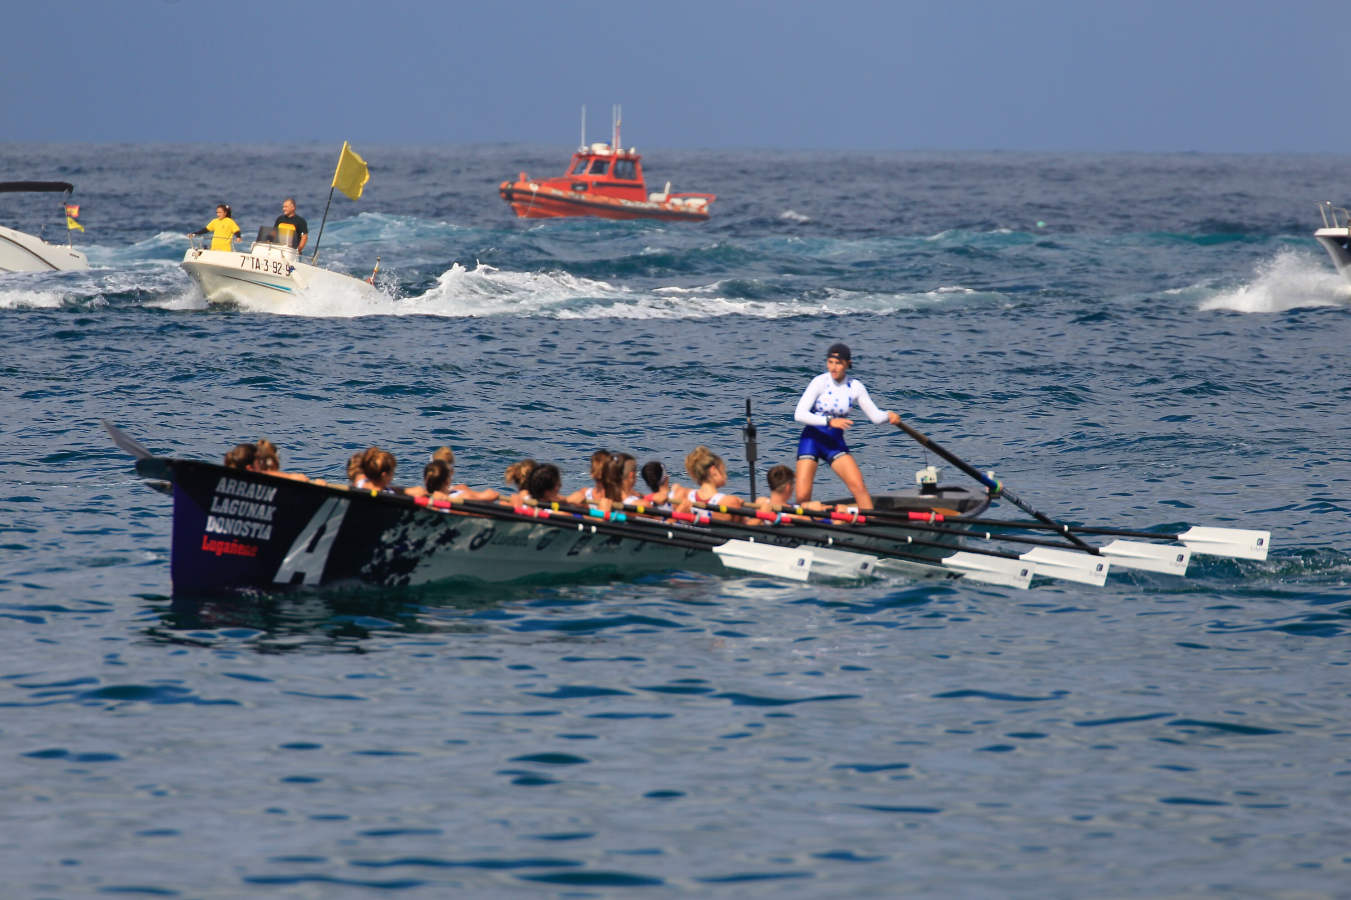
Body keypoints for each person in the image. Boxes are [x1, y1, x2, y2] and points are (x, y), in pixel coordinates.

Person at [793, 342, 900, 509]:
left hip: (834, 443)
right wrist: (829, 421)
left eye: (838, 363)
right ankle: (803, 522)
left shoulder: (855, 387)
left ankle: (869, 521)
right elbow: (799, 414)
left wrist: (888, 415)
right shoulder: (819, 382)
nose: (833, 367)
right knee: (802, 496)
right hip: (811, 440)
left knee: (859, 487)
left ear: (847, 363)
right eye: (830, 362)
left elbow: (875, 417)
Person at [681, 445, 744, 520]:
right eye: (723, 469)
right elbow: (747, 526)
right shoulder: (730, 502)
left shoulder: (683, 495)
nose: (725, 475)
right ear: (713, 470)